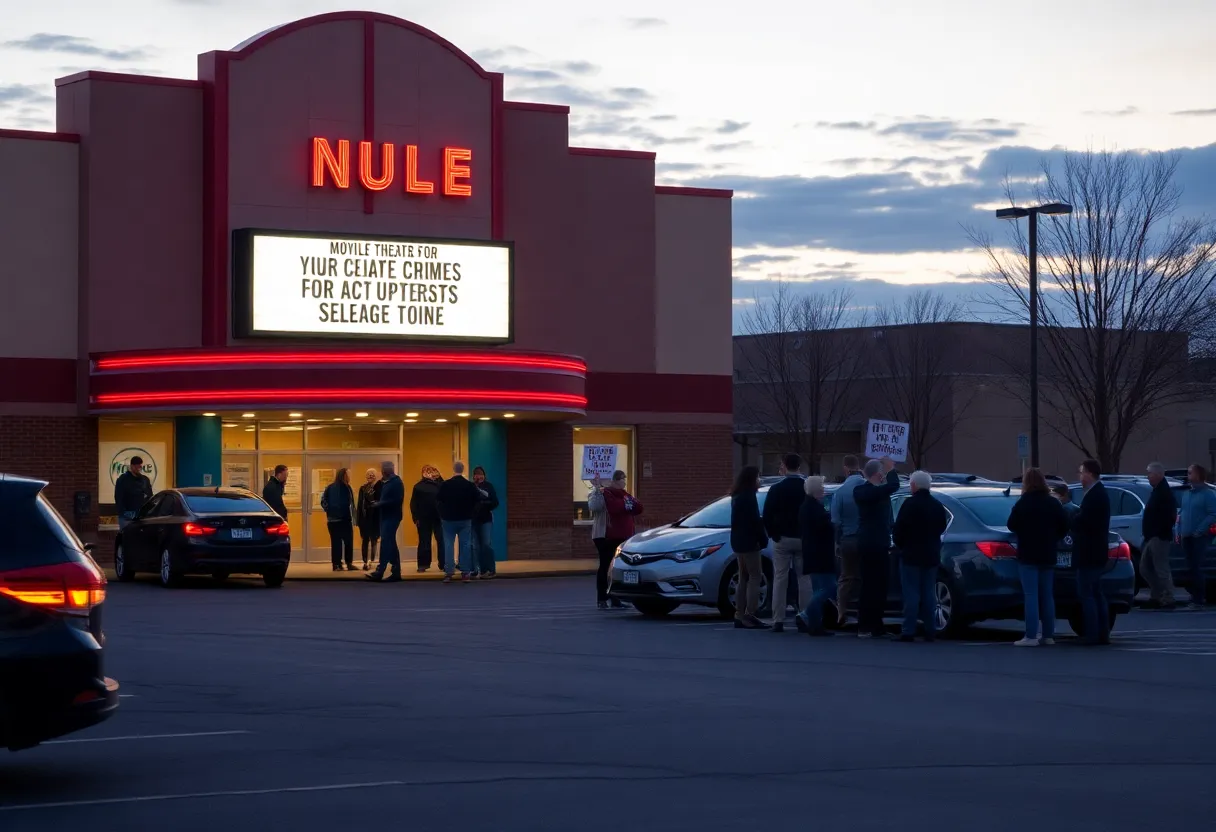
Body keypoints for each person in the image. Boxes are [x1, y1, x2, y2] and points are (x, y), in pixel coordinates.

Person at [1007, 468, 1070, 646]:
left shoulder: (1022, 503)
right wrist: (1053, 537)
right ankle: (1048, 635)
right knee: (1047, 595)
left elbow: (1011, 525)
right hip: (1048, 553)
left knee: (1031, 595)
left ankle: (1031, 635)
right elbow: (1065, 525)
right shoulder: (1053, 503)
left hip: (1028, 553)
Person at [892, 470, 950, 643]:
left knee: (911, 593)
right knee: (928, 593)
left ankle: (908, 630)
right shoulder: (937, 505)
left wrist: (901, 545)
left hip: (911, 554)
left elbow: (898, 530)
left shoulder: (909, 505)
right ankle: (930, 629)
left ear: (914, 485)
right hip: (931, 554)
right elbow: (941, 527)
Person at [853, 457, 900, 639]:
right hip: (869, 543)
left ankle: (876, 623)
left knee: (881, 584)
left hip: (880, 542)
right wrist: (891, 470)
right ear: (878, 474)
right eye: (882, 474)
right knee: (868, 584)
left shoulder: (879, 493)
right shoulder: (863, 491)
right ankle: (864, 624)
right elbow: (892, 487)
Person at [761, 454, 808, 633]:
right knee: (804, 579)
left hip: (782, 538)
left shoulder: (776, 489)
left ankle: (778, 619)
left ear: (784, 466)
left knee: (780, 578)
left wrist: (774, 534)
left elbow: (767, 515)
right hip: (802, 538)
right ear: (799, 466)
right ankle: (804, 616)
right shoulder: (806, 488)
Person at [1073, 459, 1112, 645]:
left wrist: (1072, 519)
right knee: (1096, 593)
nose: (1080, 476)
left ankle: (1093, 634)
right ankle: (1101, 632)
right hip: (1096, 551)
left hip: (1089, 552)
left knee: (1087, 593)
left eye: (1081, 472)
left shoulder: (1095, 495)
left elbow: (1084, 521)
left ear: (1089, 473)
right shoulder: (1097, 493)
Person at [794, 476, 836, 637]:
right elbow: (825, 529)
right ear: (816, 489)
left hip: (811, 552)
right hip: (821, 554)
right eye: (821, 486)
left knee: (819, 588)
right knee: (829, 587)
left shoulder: (806, 507)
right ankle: (806, 614)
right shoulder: (816, 510)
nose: (823, 489)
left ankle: (815, 624)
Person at [729, 466, 769, 629]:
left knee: (743, 576)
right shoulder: (749, 496)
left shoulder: (736, 496)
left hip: (738, 541)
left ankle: (739, 613)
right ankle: (750, 613)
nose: (759, 481)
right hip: (750, 542)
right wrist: (763, 538)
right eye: (758, 477)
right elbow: (754, 521)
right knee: (755, 576)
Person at [601, 471, 644, 602]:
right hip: (612, 536)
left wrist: (627, 503)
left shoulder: (626, 495)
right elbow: (614, 508)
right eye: (622, 479)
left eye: (625, 479)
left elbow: (638, 507)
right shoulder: (607, 493)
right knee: (608, 567)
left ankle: (616, 599)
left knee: (621, 568)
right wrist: (626, 504)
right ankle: (603, 597)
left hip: (626, 537)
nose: (624, 482)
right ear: (615, 481)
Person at [831, 455, 864, 625]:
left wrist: (838, 541)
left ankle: (841, 610)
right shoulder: (868, 487)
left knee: (846, 576)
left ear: (845, 468)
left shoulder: (840, 492)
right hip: (865, 538)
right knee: (865, 576)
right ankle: (863, 611)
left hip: (848, 539)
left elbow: (835, 521)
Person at [1140, 462, 1178, 609]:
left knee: (1161, 568)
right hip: (1151, 536)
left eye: (1149, 473)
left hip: (1159, 537)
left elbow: (1170, 516)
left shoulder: (1164, 493)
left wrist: (1160, 532)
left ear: (1158, 475)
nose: (1148, 476)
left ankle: (1168, 597)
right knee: (1145, 568)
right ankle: (1156, 594)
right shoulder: (1157, 491)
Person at [1178, 463, 1216, 609]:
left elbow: (1213, 513)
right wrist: (1179, 530)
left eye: (1190, 473)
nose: (1188, 476)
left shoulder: (1208, 494)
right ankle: (1194, 596)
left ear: (1199, 475)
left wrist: (1200, 530)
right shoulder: (1186, 494)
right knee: (1190, 567)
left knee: (1197, 567)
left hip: (1199, 537)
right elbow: (1182, 514)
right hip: (1186, 535)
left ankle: (1199, 599)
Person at [437, 461, 482, 583]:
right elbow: (478, 500)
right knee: (465, 545)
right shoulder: (469, 485)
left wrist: (442, 514)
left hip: (448, 519)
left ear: (453, 469)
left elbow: (438, 500)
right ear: (463, 470)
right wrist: (472, 513)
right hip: (465, 519)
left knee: (448, 545)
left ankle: (449, 573)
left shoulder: (445, 485)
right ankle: (465, 573)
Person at [367, 460, 404, 583]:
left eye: (382, 470)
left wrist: (379, 504)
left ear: (385, 471)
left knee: (385, 543)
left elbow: (396, 501)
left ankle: (380, 570)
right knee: (390, 543)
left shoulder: (396, 483)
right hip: (386, 516)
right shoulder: (387, 482)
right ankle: (396, 571)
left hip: (391, 517)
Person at [409, 466, 445, 573]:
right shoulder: (419, 487)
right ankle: (425, 564)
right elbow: (414, 503)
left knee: (439, 541)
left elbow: (413, 504)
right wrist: (415, 517)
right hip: (427, 518)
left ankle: (440, 563)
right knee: (427, 541)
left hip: (436, 518)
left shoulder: (440, 485)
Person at [320, 468, 356, 572]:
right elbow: (349, 503)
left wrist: (329, 510)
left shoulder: (330, 487)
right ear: (344, 475)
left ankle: (336, 564)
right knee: (348, 542)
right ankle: (348, 563)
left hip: (333, 520)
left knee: (336, 543)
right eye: (348, 474)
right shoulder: (346, 488)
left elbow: (323, 501)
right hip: (344, 519)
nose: (349, 476)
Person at [471, 466, 500, 579]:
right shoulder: (471, 487)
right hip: (473, 520)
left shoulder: (488, 486)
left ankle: (491, 569)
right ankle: (481, 570)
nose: (479, 476)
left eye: (481, 474)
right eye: (477, 474)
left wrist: (485, 503)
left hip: (486, 519)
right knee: (475, 546)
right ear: (474, 476)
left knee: (486, 544)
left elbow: (495, 502)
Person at [114, 456, 153, 530]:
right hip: (127, 516)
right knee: (127, 538)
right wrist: (124, 513)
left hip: (142, 516)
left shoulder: (145, 480)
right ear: (132, 466)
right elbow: (118, 498)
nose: (138, 469)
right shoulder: (123, 480)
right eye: (136, 467)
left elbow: (150, 497)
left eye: (140, 467)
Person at [356, 468, 382, 571]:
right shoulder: (363, 488)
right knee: (365, 540)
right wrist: (358, 520)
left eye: (372, 474)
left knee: (374, 540)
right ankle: (365, 561)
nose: (370, 476)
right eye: (368, 475)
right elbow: (359, 504)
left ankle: (372, 560)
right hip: (365, 519)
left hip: (375, 518)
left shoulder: (379, 487)